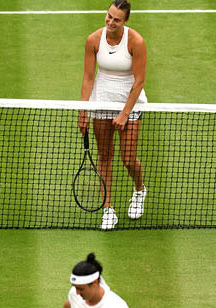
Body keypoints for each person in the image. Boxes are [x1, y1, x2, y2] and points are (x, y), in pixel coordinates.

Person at [78, 0, 148, 230]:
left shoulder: (136, 41)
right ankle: (108, 209)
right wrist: (83, 110)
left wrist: (125, 113)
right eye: (109, 16)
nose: (110, 22)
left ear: (125, 21)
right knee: (104, 157)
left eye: (116, 19)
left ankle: (139, 190)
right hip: (102, 100)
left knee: (128, 159)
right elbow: (89, 77)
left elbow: (139, 81)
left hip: (130, 102)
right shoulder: (93, 40)